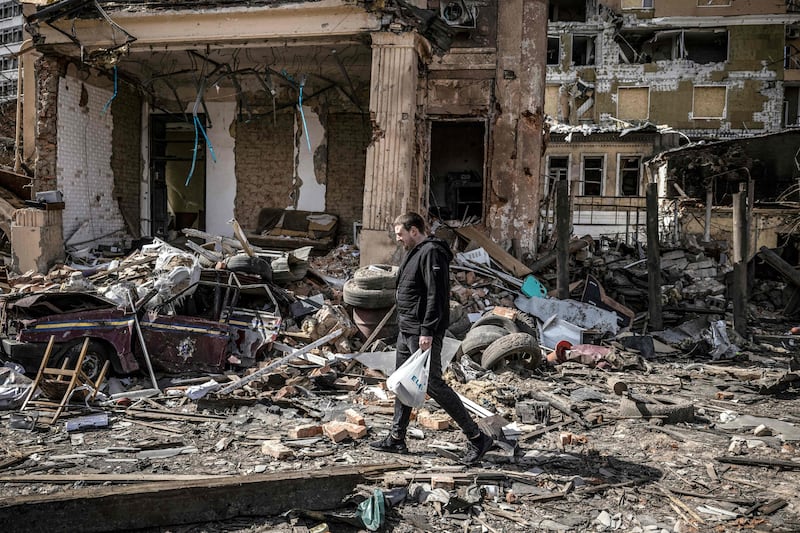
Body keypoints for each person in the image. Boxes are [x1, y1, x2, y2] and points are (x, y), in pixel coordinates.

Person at [369, 212, 495, 465]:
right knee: (403, 383)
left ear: (414, 230)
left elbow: (435, 295)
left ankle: (477, 438)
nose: (399, 239)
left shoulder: (431, 253)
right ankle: (397, 437)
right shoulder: (415, 251)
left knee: (433, 384)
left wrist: (427, 330)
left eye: (401, 234)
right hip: (408, 330)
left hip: (421, 332)